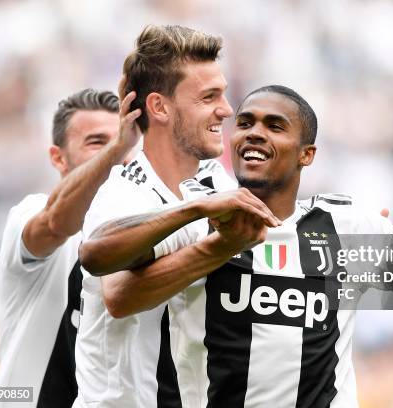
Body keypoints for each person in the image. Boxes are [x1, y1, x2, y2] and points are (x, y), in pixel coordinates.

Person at [79, 85, 393, 407]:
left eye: (275, 126)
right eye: (246, 123)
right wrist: (199, 221)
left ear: (307, 154)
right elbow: (101, 264)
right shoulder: (197, 217)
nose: (255, 132)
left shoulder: (345, 226)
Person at [72, 25, 280, 408]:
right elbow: (114, 289)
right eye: (208, 97)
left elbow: (281, 248)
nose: (227, 109)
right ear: (160, 107)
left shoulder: (216, 182)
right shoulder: (125, 191)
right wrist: (202, 221)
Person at [0, 88, 140, 408]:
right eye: (98, 142)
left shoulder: (141, 235)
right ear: (58, 157)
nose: (120, 154)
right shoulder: (29, 213)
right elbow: (55, 224)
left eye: (125, 143)